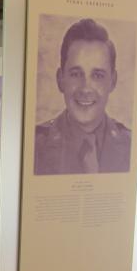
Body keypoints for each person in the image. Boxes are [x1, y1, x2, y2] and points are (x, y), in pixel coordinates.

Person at [34, 18, 131, 175]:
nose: (85, 88)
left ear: (113, 81)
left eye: (98, 75)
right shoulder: (35, 145)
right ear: (60, 79)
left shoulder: (131, 145)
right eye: (76, 74)